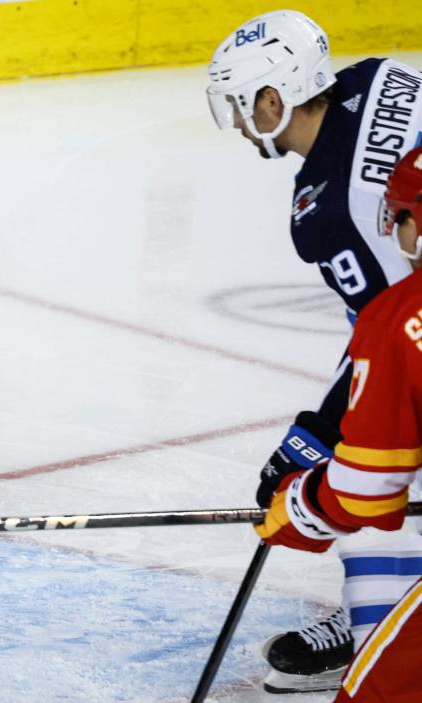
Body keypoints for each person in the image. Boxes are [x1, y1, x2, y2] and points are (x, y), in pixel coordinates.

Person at [207, 9, 422, 693]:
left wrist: (321, 435)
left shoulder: (329, 210)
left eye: (243, 108)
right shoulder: (379, 78)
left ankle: (378, 632)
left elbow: (387, 332)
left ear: (274, 100)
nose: (241, 125)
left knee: (377, 468)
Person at [255, 145, 422, 702]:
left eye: (399, 216)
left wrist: (299, 508)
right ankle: (366, 622)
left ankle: (368, 626)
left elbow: (367, 488)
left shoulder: (399, 316)